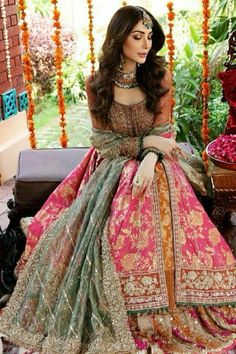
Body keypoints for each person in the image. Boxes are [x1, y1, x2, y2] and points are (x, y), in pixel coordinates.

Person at [0, 5, 236, 354]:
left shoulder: (159, 77)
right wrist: (144, 145)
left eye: (149, 36)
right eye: (137, 36)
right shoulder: (98, 84)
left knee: (151, 189)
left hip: (158, 165)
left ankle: (168, 298)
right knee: (97, 227)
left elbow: (163, 131)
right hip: (111, 165)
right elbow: (104, 142)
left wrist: (150, 155)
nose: (145, 44)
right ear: (118, 39)